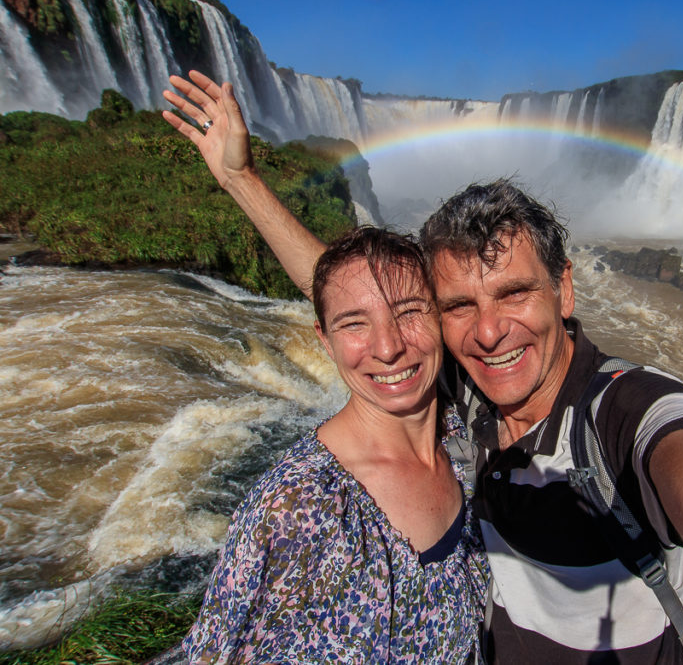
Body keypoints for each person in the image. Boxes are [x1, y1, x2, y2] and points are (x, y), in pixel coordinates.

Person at [165, 71, 683, 664]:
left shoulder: (628, 411)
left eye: (515, 294)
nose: (491, 330)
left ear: (565, 287)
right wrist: (240, 180)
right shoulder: (462, 384)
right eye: (459, 305)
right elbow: (363, 307)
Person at [178, 227, 489, 662]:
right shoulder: (297, 508)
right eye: (354, 324)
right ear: (325, 340)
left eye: (408, 311)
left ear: (440, 317)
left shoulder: (461, 426)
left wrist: (240, 178)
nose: (388, 347)